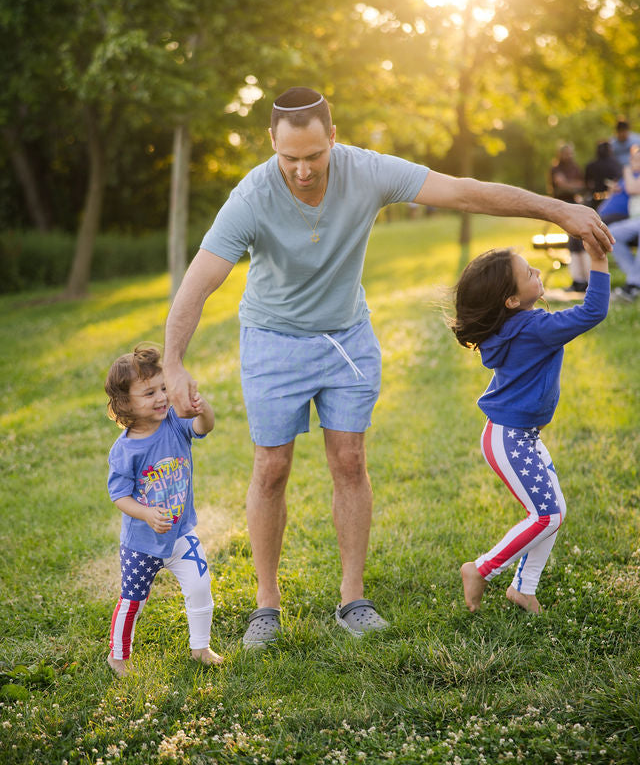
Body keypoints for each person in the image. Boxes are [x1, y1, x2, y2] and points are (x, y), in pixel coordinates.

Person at [163, 86, 613, 648]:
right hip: (272, 339)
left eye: (313, 156)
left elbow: (465, 192)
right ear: (271, 145)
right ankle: (267, 605)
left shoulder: (369, 171)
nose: (302, 171)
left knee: (349, 460)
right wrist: (173, 361)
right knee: (271, 467)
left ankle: (353, 598)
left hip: (347, 335)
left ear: (333, 137)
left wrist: (557, 208)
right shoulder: (252, 196)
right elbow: (202, 278)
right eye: (289, 158)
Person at [452, 245, 609, 614]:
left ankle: (523, 588)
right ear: (510, 300)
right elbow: (593, 311)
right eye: (527, 273)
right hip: (510, 438)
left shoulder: (510, 327)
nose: (536, 270)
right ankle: (481, 569)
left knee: (554, 511)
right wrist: (598, 260)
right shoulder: (536, 327)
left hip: (516, 436)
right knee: (546, 514)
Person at [105, 343, 223, 674]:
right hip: (141, 545)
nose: (161, 398)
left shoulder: (174, 421)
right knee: (133, 600)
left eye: (163, 388)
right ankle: (117, 654)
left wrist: (202, 408)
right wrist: (145, 513)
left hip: (181, 533)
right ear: (125, 403)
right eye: (149, 393)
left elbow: (204, 428)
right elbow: (120, 496)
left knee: (200, 585)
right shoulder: (125, 450)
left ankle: (200, 648)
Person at [548, 143, 589, 293]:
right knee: (573, 241)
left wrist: (569, 185)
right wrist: (572, 186)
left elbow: (581, 185)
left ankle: (583, 279)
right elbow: (562, 185)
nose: (569, 156)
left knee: (578, 240)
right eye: (567, 153)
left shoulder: (575, 168)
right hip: (561, 206)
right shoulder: (556, 168)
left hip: (575, 206)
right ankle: (578, 279)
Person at [610, 145, 640, 301]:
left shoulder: (631, 175)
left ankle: (633, 285)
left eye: (637, 159)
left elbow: (633, 189)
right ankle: (634, 281)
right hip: (634, 221)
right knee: (612, 234)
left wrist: (627, 170)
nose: (634, 162)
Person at [584, 140, 622, 211]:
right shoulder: (616, 165)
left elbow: (588, 183)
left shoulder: (591, 165)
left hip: (596, 197)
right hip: (611, 197)